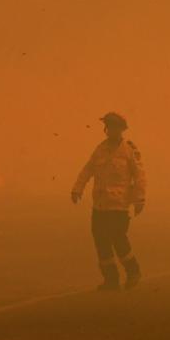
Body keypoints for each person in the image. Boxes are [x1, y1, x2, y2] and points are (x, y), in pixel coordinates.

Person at [71, 112, 146, 291]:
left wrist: (139, 199)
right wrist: (77, 188)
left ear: (121, 129)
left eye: (114, 127)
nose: (110, 130)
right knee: (101, 242)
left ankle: (133, 271)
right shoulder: (100, 149)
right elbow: (87, 169)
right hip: (100, 206)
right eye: (108, 127)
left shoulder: (129, 150)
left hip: (119, 206)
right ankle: (111, 279)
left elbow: (140, 176)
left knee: (118, 239)